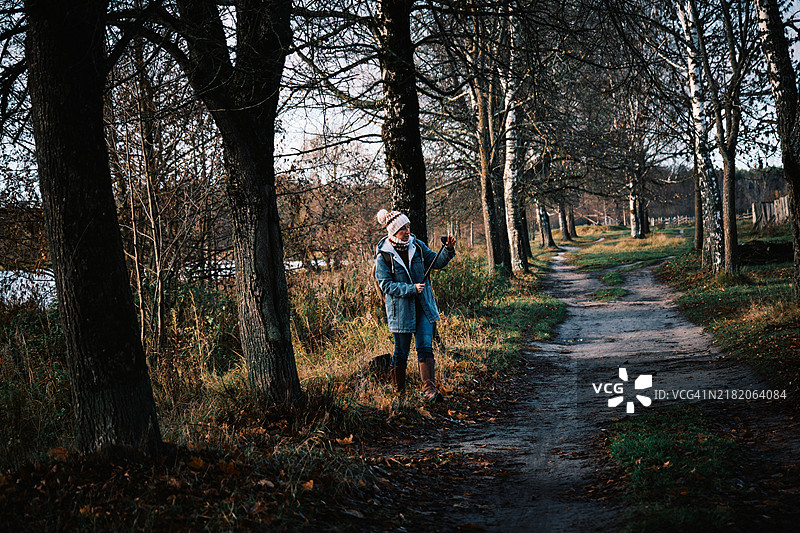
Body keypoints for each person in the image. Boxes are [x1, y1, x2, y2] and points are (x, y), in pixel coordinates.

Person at [374, 209, 455, 402]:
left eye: (408, 226)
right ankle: (398, 394)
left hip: (423, 307)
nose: (407, 230)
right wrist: (410, 289)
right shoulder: (384, 255)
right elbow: (385, 284)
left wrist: (448, 250)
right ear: (393, 231)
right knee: (400, 352)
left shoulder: (417, 246)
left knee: (425, 347)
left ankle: (429, 392)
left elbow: (436, 262)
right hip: (400, 310)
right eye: (403, 228)